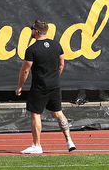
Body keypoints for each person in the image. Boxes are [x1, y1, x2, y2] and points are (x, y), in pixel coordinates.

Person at [15, 19, 77, 154]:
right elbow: (61, 64)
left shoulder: (32, 49)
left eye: (33, 30)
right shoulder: (56, 45)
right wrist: (55, 77)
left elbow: (25, 70)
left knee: (36, 114)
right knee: (58, 112)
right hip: (54, 85)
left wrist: (20, 86)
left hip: (40, 87)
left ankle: (37, 145)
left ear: (36, 31)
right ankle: (69, 141)